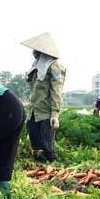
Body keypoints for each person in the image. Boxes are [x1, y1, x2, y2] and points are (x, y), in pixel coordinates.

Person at [22, 32, 65, 162]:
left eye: (36, 49)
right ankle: (41, 170)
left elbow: (56, 91)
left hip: (46, 112)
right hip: (34, 111)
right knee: (36, 146)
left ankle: (55, 170)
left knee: (47, 146)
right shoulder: (36, 66)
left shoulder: (54, 66)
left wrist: (55, 115)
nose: (33, 52)